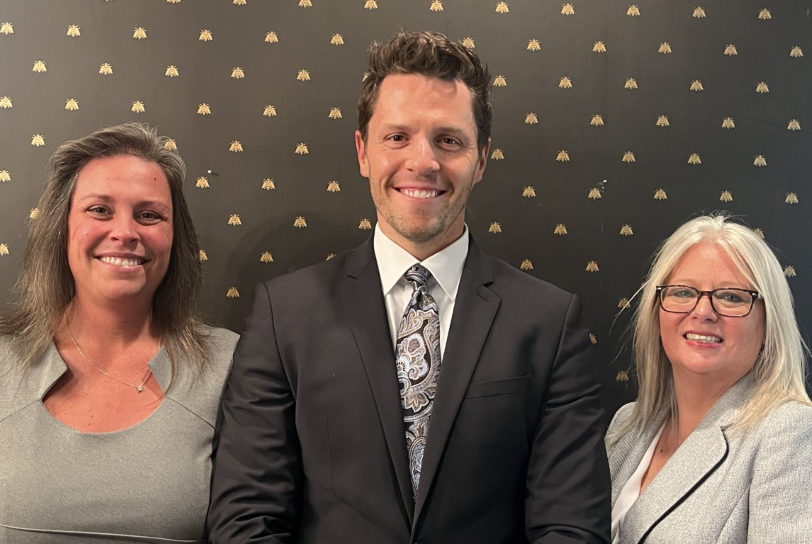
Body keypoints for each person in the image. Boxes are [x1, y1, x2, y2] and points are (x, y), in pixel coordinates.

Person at [208, 30, 610, 544]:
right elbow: (246, 517)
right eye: (397, 137)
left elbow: (571, 526)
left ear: (481, 158)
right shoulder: (284, 313)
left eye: (449, 140)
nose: (423, 161)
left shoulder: (548, 323)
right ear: (363, 151)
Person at [0, 123, 238, 543]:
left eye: (149, 214)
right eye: (100, 210)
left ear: (175, 238)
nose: (125, 232)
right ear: (61, 227)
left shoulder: (227, 366)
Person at [606, 214, 812, 544]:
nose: (703, 311)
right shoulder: (628, 427)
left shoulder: (799, 437)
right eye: (682, 292)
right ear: (657, 311)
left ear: (768, 324)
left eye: (732, 296)